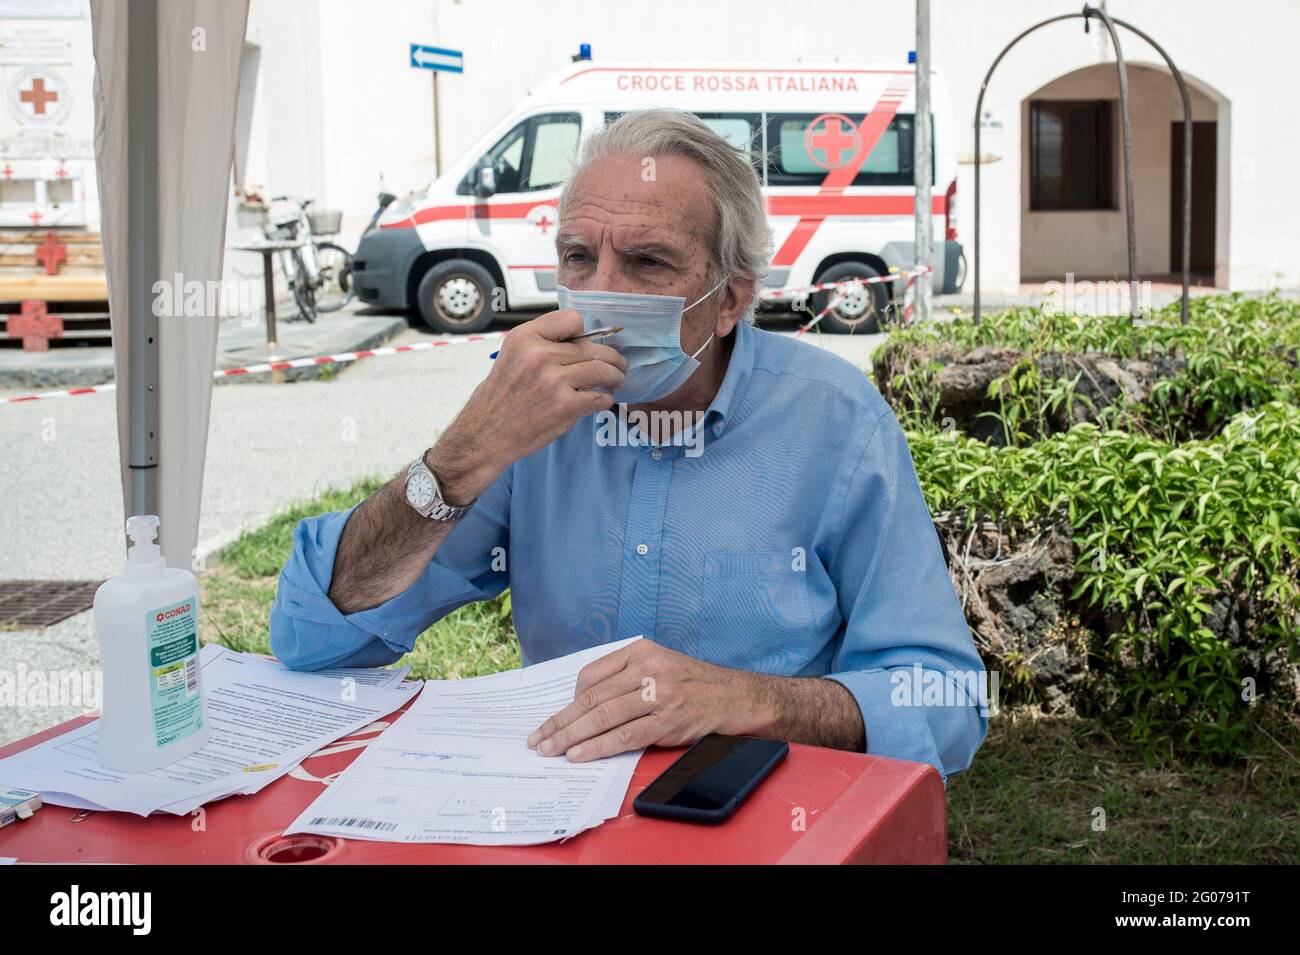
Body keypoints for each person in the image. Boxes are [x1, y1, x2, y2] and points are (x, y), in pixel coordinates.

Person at [270, 109, 986, 782]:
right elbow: (317, 632)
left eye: (647, 262)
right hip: (563, 819)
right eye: (577, 257)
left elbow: (947, 698)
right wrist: (459, 459)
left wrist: (748, 701)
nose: (600, 296)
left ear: (732, 298)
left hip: (768, 816)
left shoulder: (833, 419)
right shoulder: (527, 408)